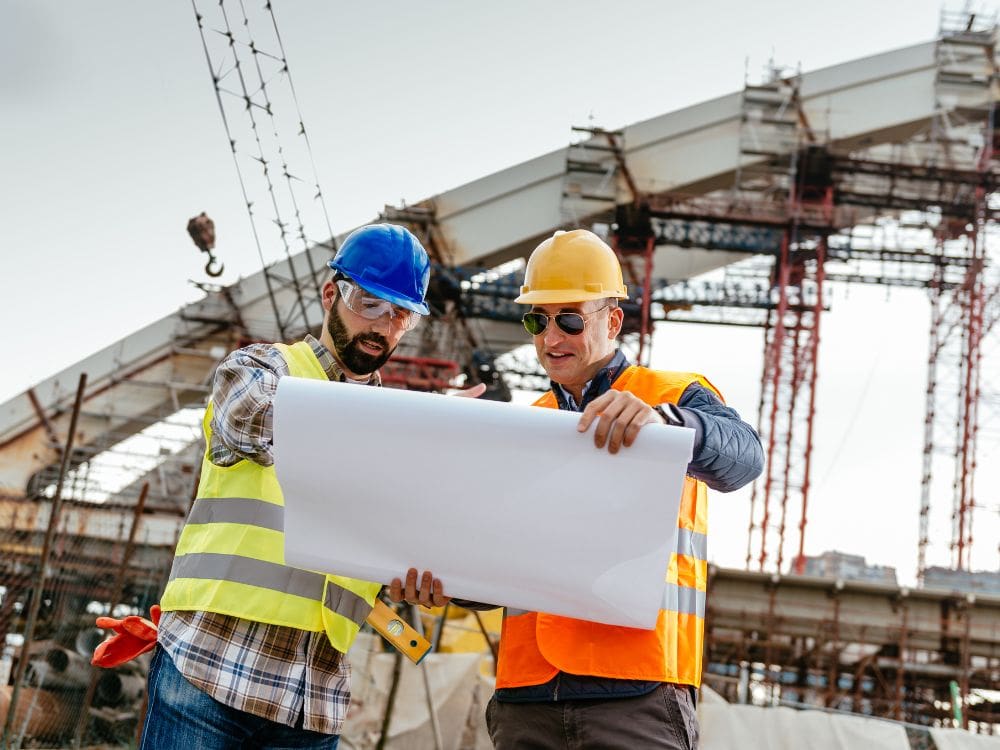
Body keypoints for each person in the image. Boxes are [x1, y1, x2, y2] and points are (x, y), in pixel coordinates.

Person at [142, 223, 468, 749]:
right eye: (369, 302)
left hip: (311, 701)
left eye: (400, 314)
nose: (382, 325)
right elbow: (250, 422)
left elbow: (393, 549)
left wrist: (425, 577)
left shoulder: (402, 430)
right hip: (210, 669)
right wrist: (416, 431)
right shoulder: (261, 368)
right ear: (330, 294)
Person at [485, 229, 763, 749]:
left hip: (636, 691)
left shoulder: (672, 397)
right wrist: (443, 583)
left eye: (569, 319)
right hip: (526, 696)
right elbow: (501, 565)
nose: (550, 339)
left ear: (612, 320)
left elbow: (745, 458)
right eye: (536, 321)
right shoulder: (526, 427)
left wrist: (670, 424)